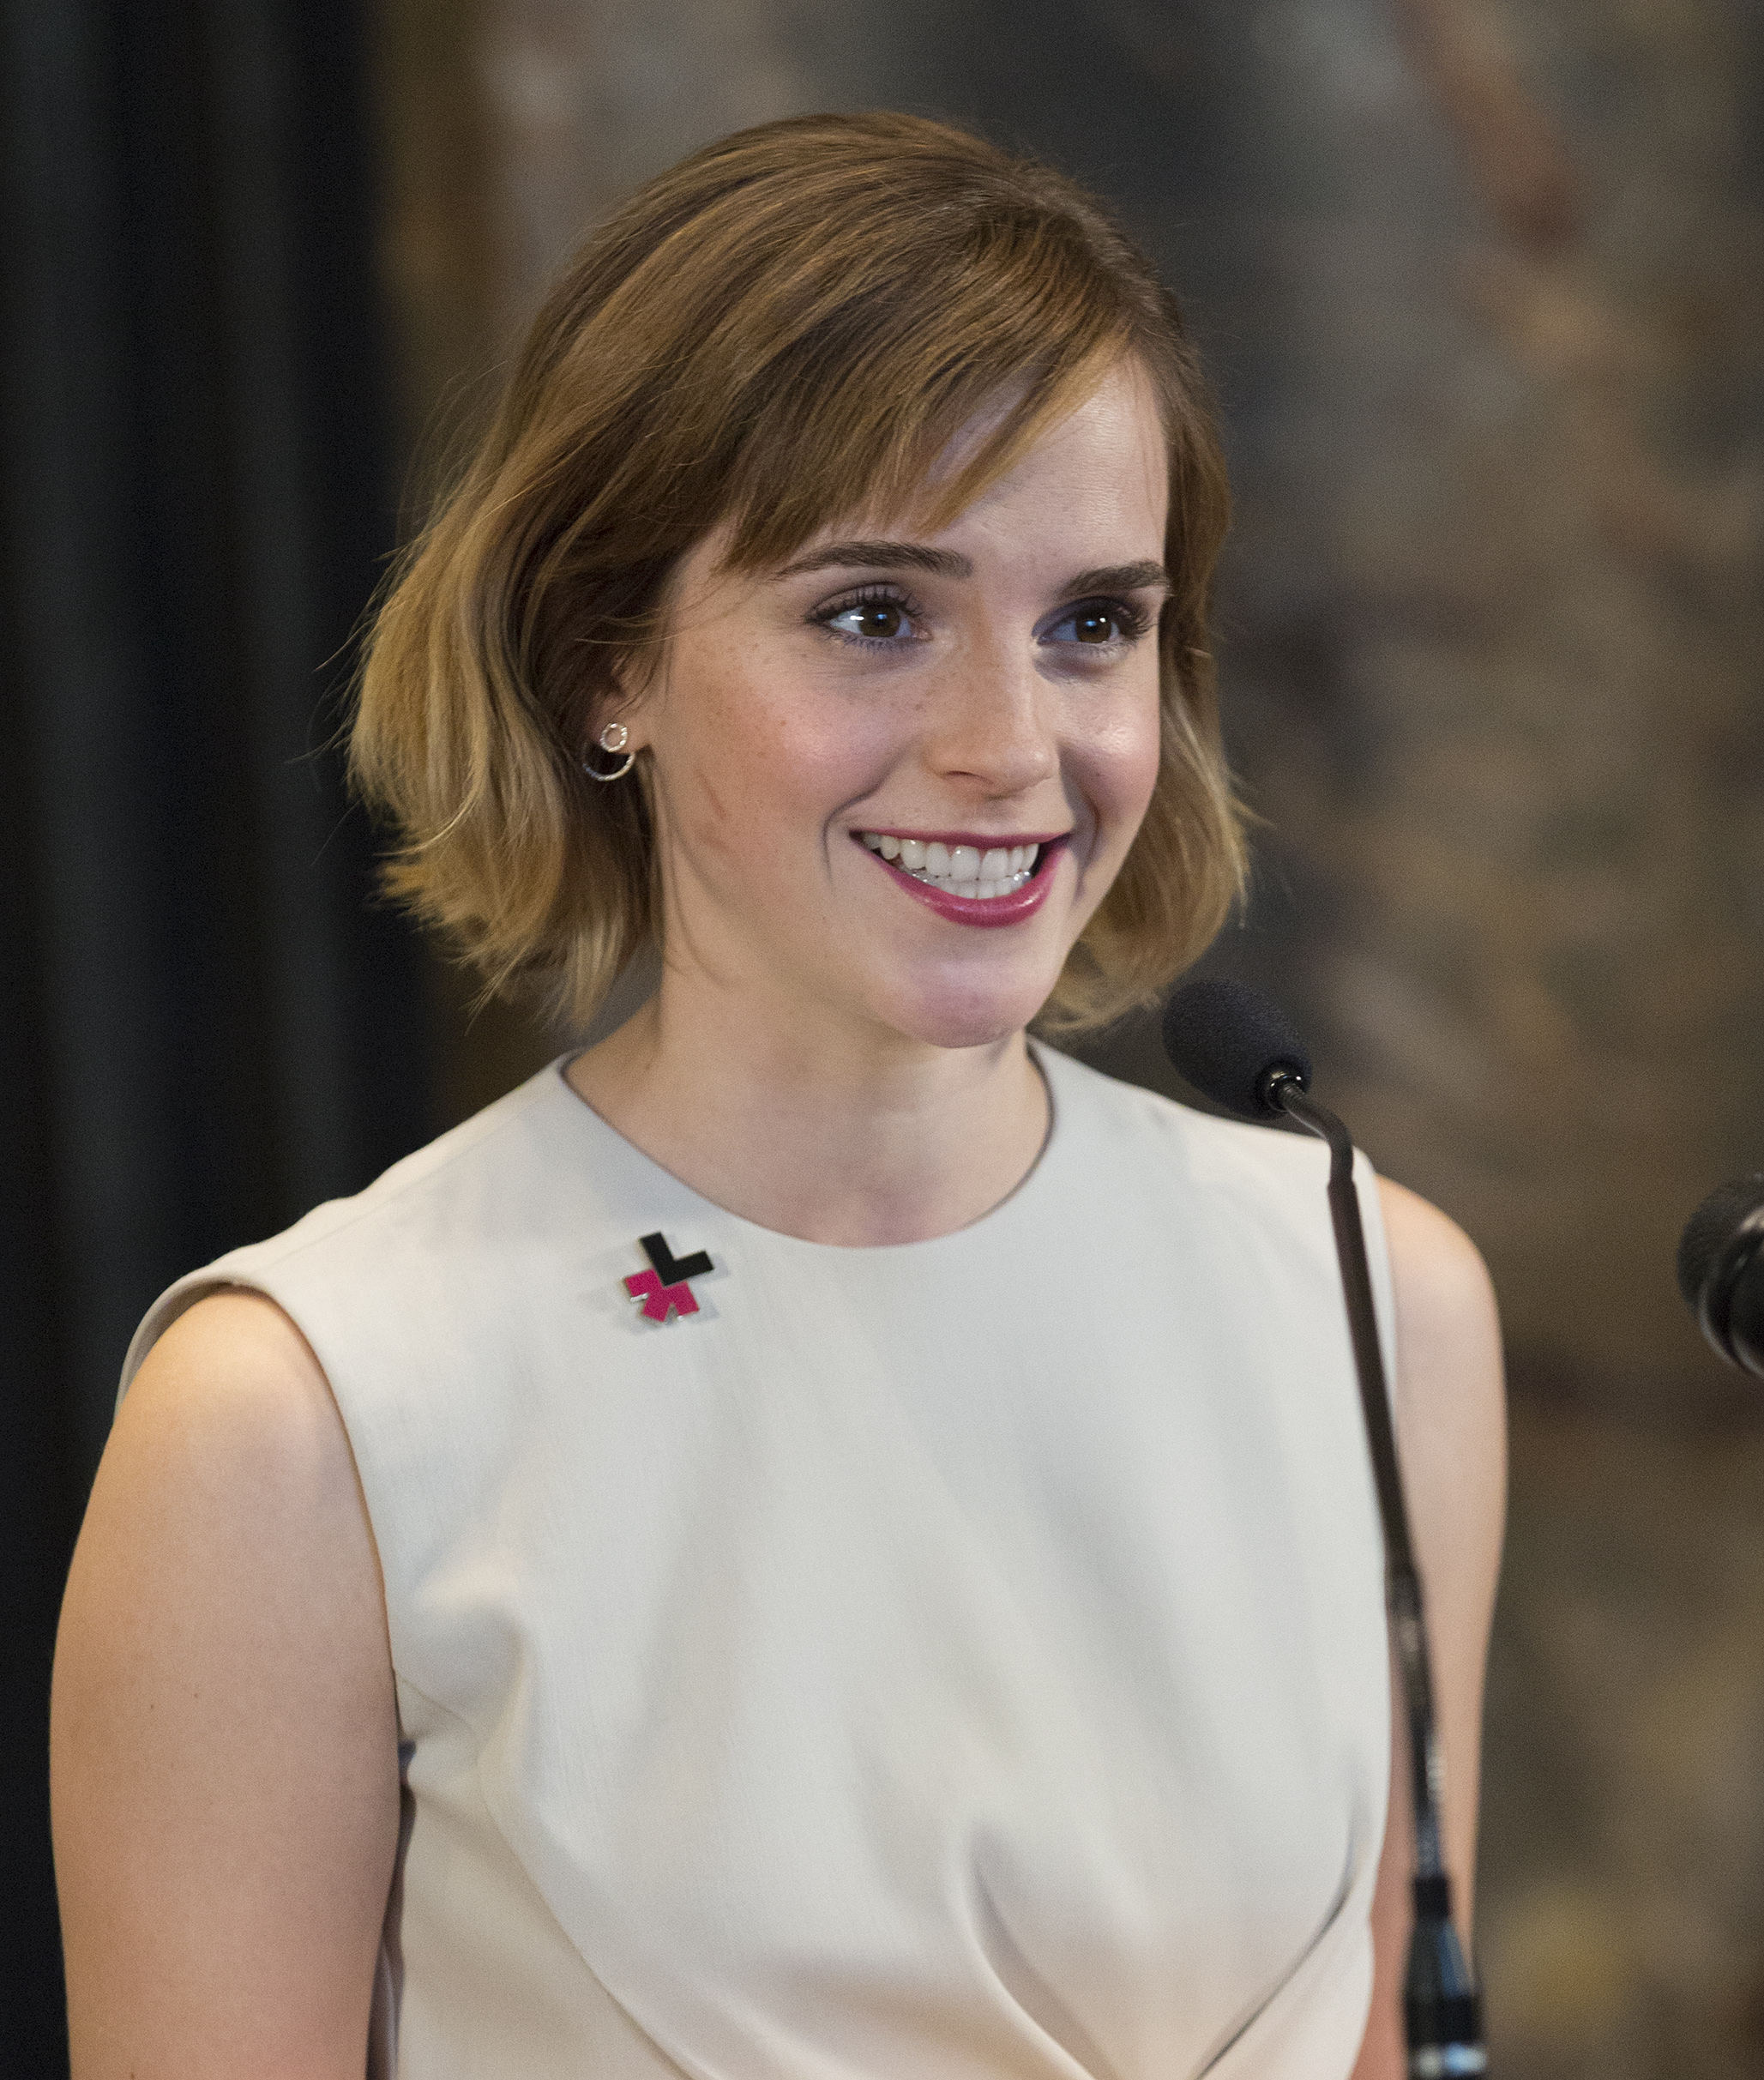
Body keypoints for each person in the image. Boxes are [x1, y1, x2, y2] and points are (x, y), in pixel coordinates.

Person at [51, 112, 1505, 2079]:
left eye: (1093, 622)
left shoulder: (1377, 1301)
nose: (1012, 745)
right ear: (604, 666)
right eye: (875, 615)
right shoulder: (294, 1423)